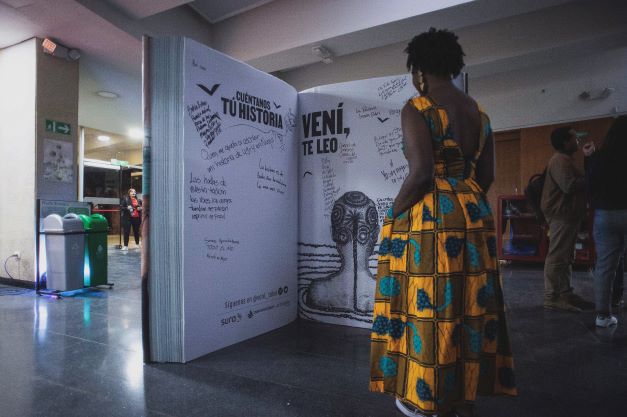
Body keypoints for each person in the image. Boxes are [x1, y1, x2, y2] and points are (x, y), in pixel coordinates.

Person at [369, 28, 516, 417]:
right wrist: (463, 196)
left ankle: (424, 397)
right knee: (468, 306)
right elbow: (485, 175)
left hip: (433, 219)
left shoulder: (417, 107)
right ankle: (459, 393)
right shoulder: (479, 113)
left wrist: (393, 213)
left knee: (429, 309)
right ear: (454, 64)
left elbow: (419, 173)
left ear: (417, 68)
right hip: (473, 214)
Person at [540, 127, 594, 312]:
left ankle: (565, 292)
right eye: (573, 138)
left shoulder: (565, 159)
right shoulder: (559, 160)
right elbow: (569, 186)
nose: (577, 140)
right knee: (557, 256)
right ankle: (551, 297)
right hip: (560, 215)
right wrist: (592, 178)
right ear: (565, 142)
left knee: (565, 256)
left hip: (567, 215)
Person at [582, 116, 627, 326]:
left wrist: (589, 158)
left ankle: (603, 316)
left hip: (605, 214)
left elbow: (590, 187)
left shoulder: (601, 156)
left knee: (605, 266)